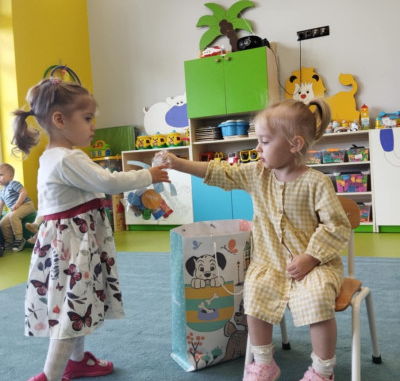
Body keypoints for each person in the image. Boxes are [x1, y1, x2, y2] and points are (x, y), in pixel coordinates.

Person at [157, 99, 351, 381]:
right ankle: (263, 363)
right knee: (255, 291)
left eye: (265, 141)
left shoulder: (316, 183)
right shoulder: (257, 174)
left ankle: (322, 371)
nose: (257, 148)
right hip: (269, 263)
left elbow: (337, 226)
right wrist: (178, 163)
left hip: (315, 266)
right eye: (258, 140)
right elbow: (219, 172)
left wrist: (311, 257)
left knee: (318, 296)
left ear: (295, 144)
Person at [11, 77, 170, 381]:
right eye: (87, 118)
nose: (93, 126)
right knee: (71, 310)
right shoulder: (68, 158)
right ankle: (50, 375)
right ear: (59, 120)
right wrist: (148, 175)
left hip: (68, 242)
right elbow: (107, 182)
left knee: (78, 301)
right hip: (72, 246)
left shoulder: (52, 157)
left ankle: (77, 361)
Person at [0, 163, 36, 253]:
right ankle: (9, 242)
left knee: (14, 216)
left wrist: (18, 203)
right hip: (14, 209)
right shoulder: (2, 191)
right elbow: (1, 205)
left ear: (11, 176)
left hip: (26, 205)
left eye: (1, 175)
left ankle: (19, 239)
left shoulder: (13, 183)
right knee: (3, 223)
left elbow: (23, 192)